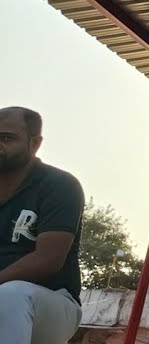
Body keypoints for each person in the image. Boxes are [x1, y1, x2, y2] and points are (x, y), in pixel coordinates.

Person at [0, 107, 84, 344]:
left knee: (11, 294)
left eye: (6, 138)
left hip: (52, 302)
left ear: (34, 143)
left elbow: (48, 259)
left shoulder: (59, 185)